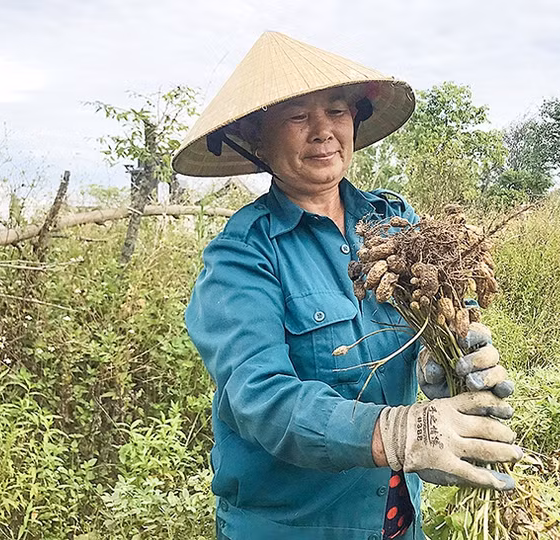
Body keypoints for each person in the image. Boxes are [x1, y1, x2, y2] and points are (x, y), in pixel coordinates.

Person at [174, 32, 522, 540]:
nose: (323, 132)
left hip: (398, 521)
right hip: (294, 527)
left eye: (337, 111)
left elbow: (451, 305)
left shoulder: (395, 222)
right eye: (297, 117)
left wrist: (453, 362)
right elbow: (260, 399)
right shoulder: (242, 255)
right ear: (257, 139)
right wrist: (395, 432)